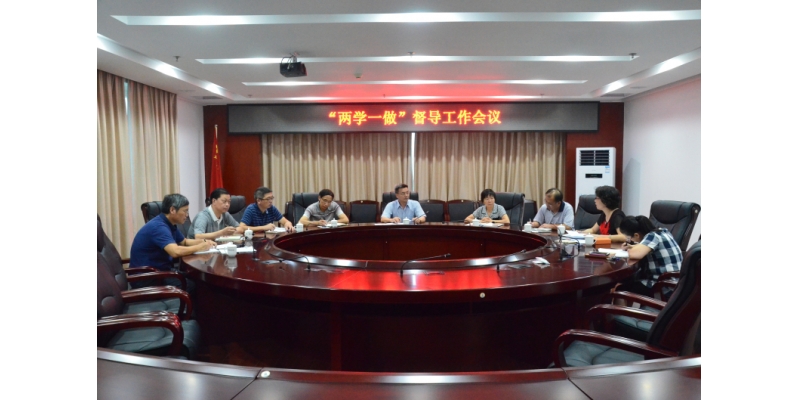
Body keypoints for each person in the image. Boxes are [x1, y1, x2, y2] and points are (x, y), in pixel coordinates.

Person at [129, 193, 216, 289]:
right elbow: (175, 252)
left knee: (197, 279)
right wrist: (200, 247)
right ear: (172, 210)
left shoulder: (169, 224)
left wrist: (204, 242)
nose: (187, 215)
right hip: (147, 278)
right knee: (195, 285)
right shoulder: (159, 227)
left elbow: (184, 242)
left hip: (159, 272)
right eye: (185, 211)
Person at [615, 216, 683, 297]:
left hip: (663, 287)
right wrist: (631, 247)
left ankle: (621, 304)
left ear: (636, 235)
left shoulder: (652, 236)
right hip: (675, 283)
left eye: (629, 238)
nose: (630, 241)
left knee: (621, 289)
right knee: (630, 281)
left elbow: (635, 254)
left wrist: (629, 249)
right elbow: (647, 247)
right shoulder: (662, 231)